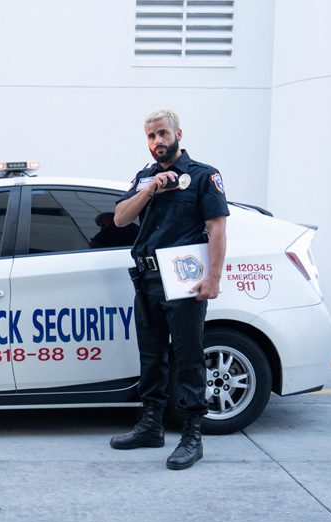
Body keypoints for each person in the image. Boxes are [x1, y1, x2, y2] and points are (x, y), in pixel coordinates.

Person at [109, 109, 229, 470]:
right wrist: (148, 191)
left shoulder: (203, 175)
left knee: (189, 357)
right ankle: (151, 425)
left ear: (178, 133)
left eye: (162, 134)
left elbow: (217, 228)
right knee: (152, 354)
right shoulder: (144, 177)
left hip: (184, 278)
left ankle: (192, 434)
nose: (157, 142)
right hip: (146, 278)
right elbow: (120, 218)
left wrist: (213, 278)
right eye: (150, 136)